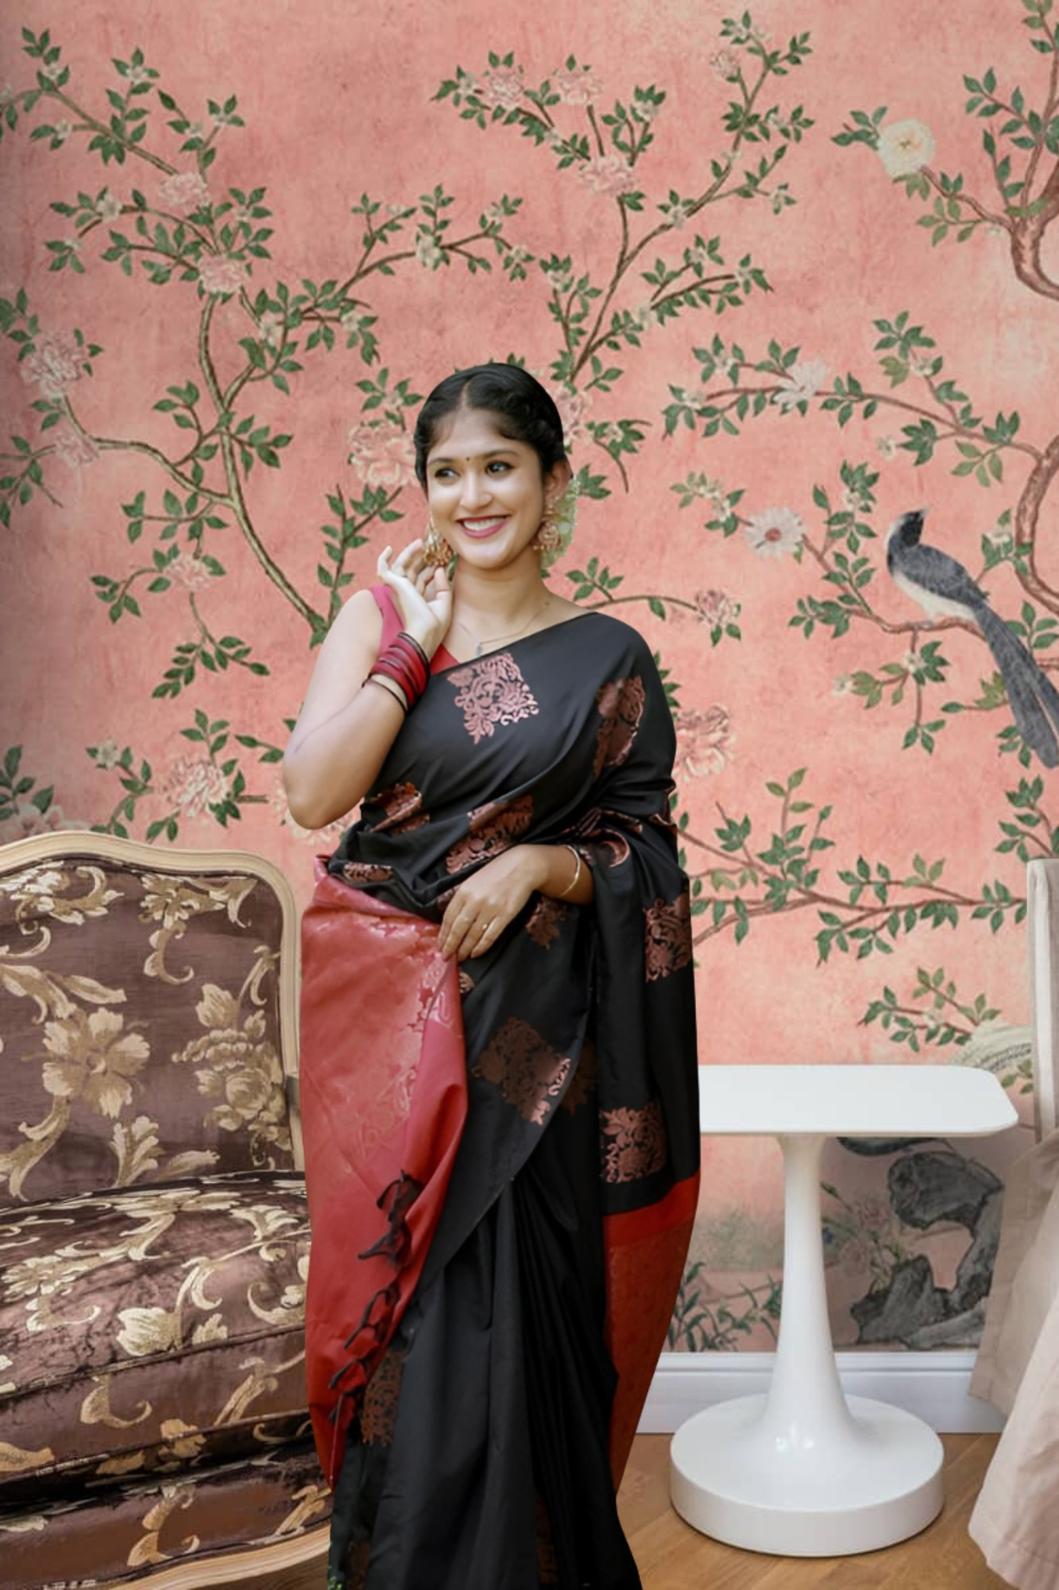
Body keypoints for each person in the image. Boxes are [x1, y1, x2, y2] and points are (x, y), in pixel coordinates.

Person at [284, 362, 701, 1590]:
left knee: (524, 1336)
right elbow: (314, 792)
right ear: (425, 492)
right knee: (408, 1329)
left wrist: (536, 867)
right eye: (448, 472)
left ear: (552, 481)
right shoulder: (380, 616)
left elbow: (645, 850)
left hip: (537, 1054)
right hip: (391, 1038)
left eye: (499, 466)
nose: (474, 494)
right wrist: (411, 652)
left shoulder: (607, 655)